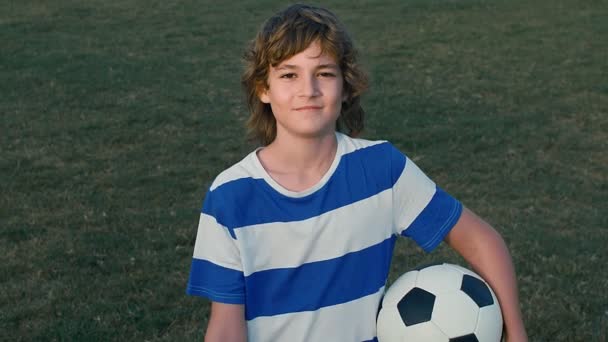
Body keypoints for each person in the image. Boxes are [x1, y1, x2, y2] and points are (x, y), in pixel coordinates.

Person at [186, 4, 528, 342]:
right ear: (263, 89)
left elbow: (481, 239)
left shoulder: (382, 170)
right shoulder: (230, 196)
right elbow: (226, 326)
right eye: (289, 75)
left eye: (324, 73)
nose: (309, 89)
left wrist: (516, 332)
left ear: (346, 86)